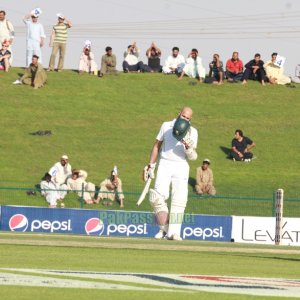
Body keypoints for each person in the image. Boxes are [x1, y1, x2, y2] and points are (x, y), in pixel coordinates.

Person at [144, 107, 198, 241]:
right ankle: (165, 229)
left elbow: (192, 157)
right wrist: (150, 165)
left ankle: (174, 233)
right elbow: (157, 145)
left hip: (181, 165)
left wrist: (188, 147)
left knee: (179, 200)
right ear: (179, 113)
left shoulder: (193, 132)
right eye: (183, 116)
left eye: (188, 118)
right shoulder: (166, 125)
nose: (185, 119)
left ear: (190, 119)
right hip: (165, 163)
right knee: (156, 197)